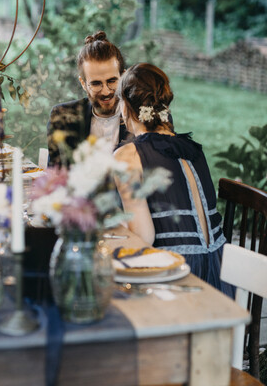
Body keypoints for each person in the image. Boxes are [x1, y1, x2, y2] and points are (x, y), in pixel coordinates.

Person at [114, 62, 233, 295]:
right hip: (220, 274)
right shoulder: (193, 149)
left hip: (175, 273)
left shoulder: (127, 156)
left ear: (126, 106)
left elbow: (143, 238)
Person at [47, 31, 130, 166]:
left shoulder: (145, 117)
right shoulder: (62, 116)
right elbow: (56, 176)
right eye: (96, 83)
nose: (106, 91)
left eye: (112, 81)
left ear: (124, 77)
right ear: (83, 84)